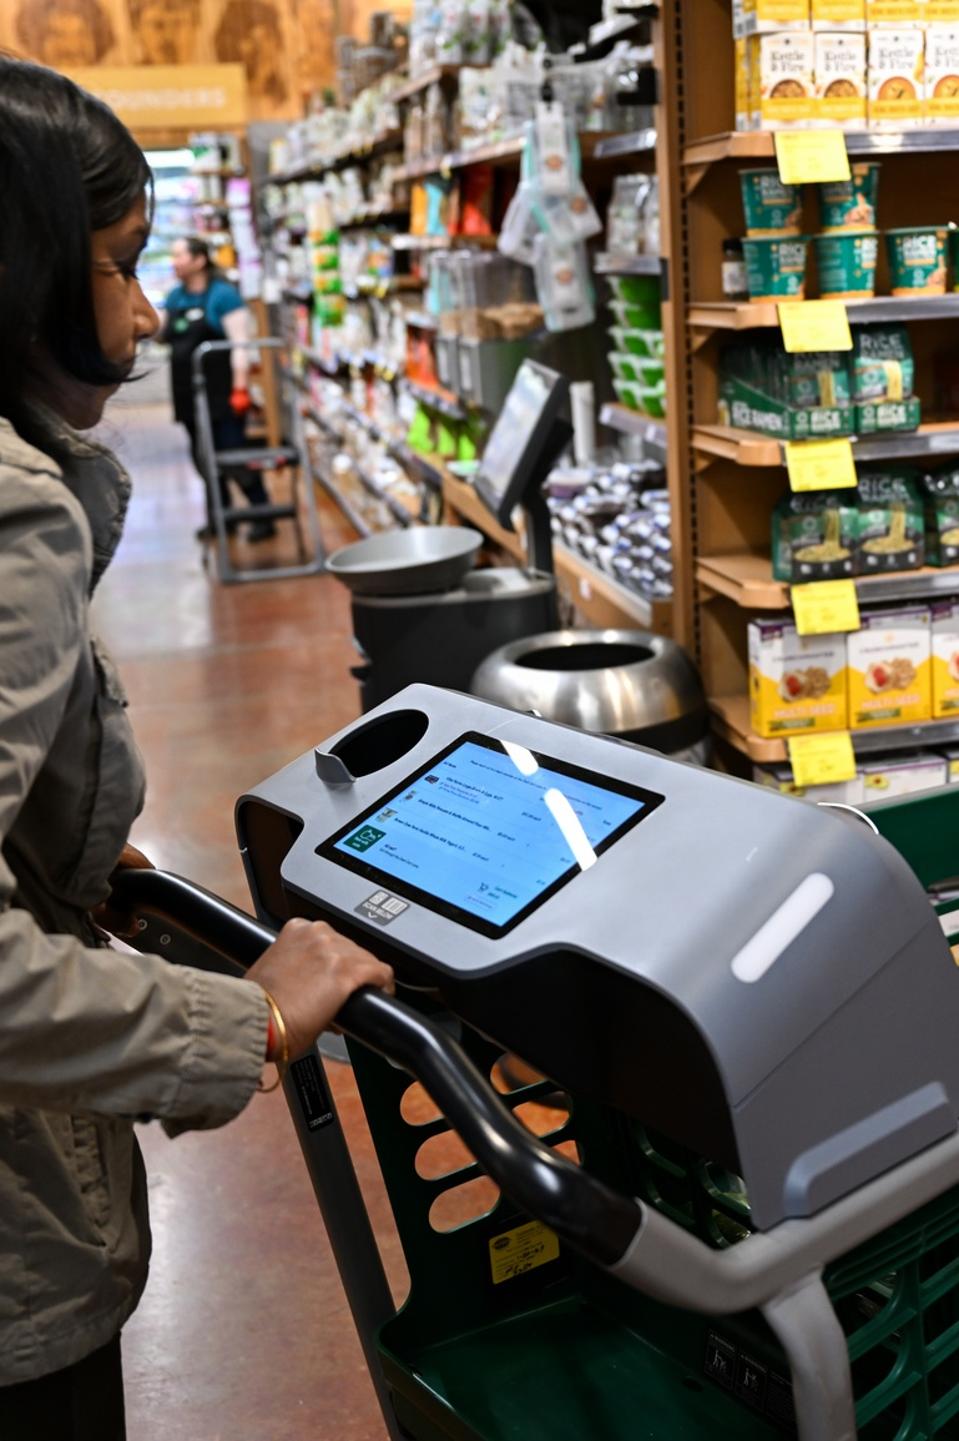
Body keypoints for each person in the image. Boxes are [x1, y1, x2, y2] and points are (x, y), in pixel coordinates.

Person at [0, 57, 394, 1440]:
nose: (147, 310)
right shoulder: (13, 515)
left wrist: (56, 861)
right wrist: (250, 1019)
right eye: (118, 266)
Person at [162, 236, 276, 542]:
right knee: (202, 456)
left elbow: (240, 345)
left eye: (180, 255)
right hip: (187, 393)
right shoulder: (175, 297)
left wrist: (240, 388)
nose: (174, 262)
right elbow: (163, 334)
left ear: (199, 260)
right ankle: (221, 518)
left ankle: (263, 512)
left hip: (221, 392)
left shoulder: (223, 296)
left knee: (232, 451)